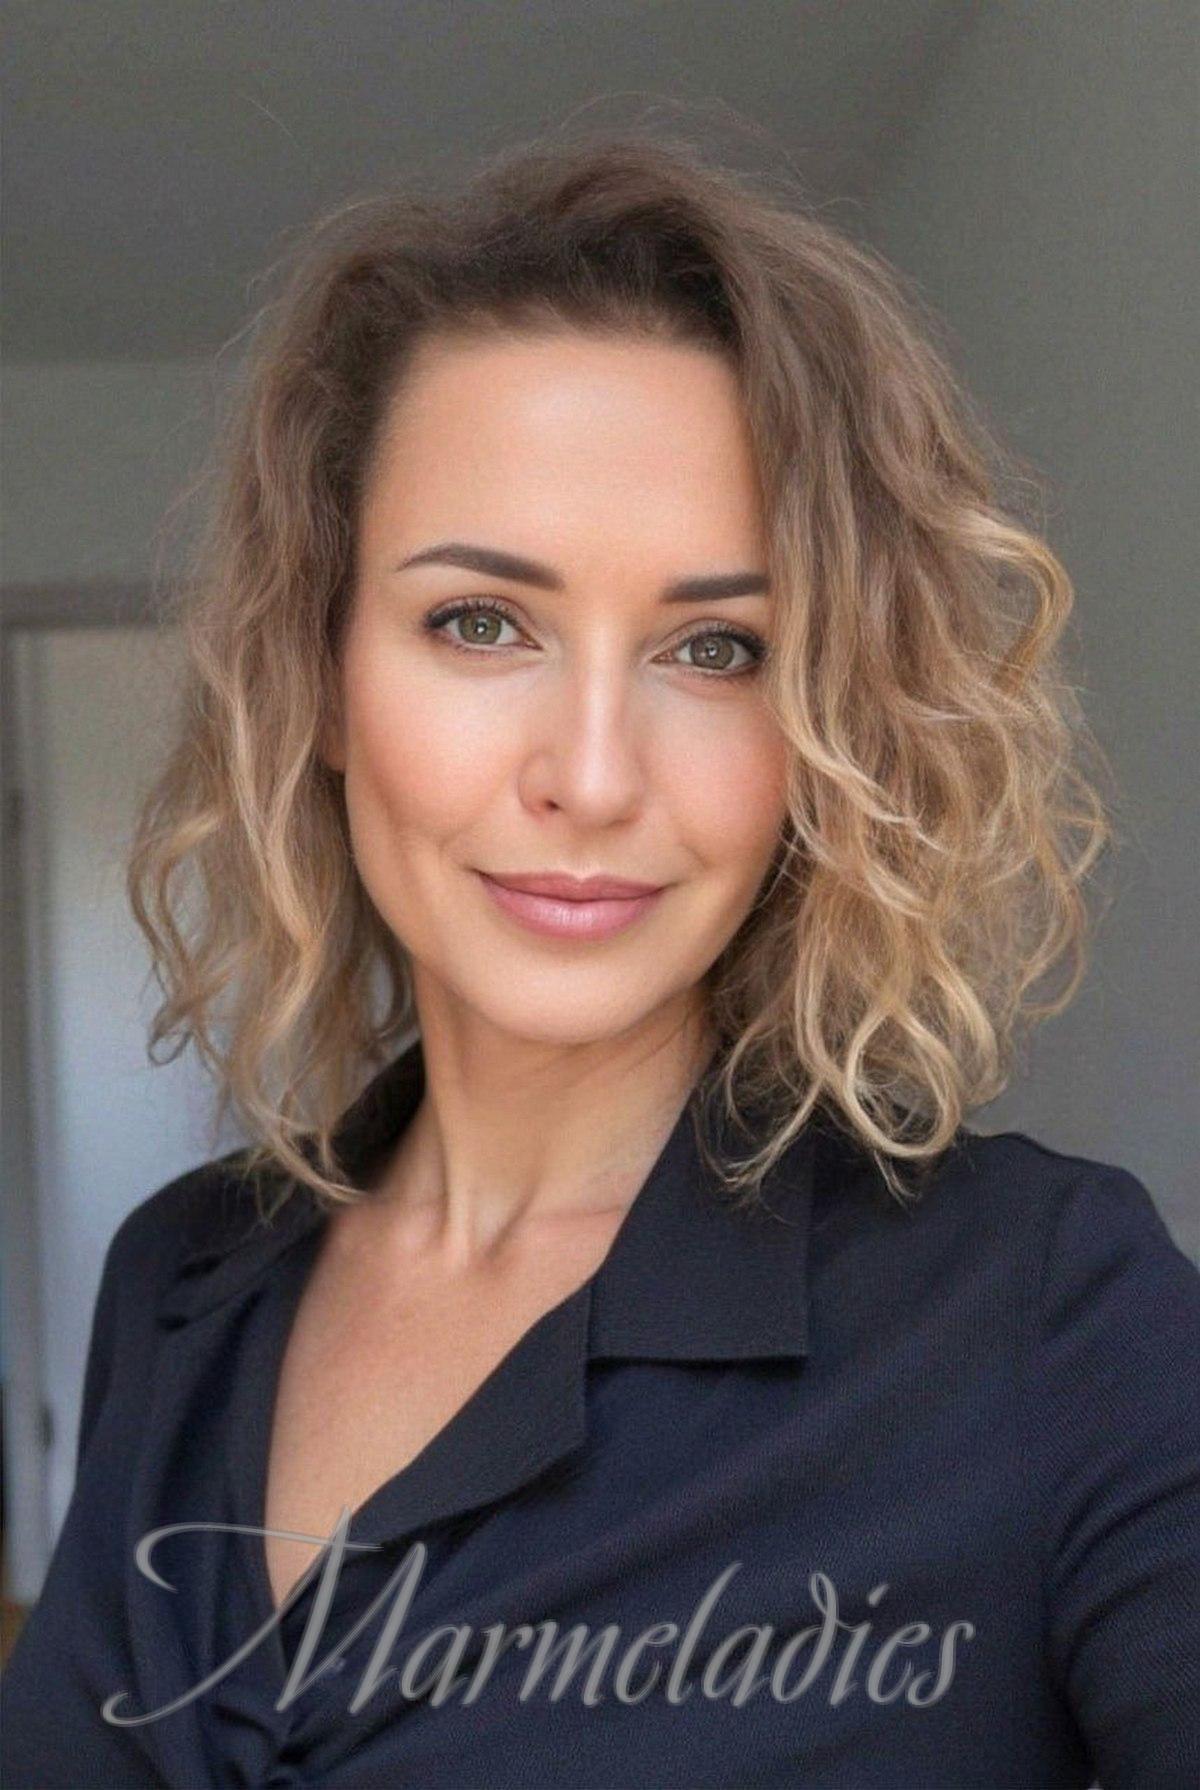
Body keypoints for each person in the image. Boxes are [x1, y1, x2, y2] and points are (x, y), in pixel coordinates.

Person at [2, 130, 1197, 1789]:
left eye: (716, 648)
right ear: (323, 677)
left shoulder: (1047, 1312)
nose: (591, 772)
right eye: (481, 621)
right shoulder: (181, 1281)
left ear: (823, 727)